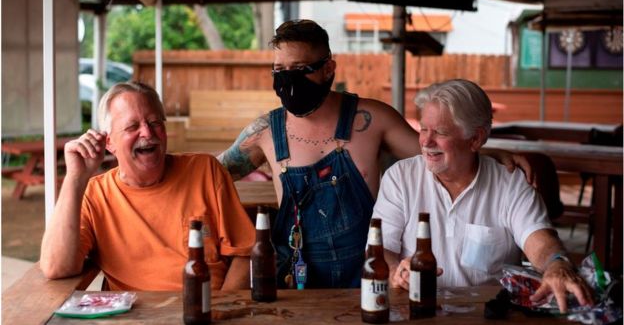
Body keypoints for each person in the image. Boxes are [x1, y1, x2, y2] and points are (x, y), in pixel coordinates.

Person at [217, 19, 532, 289]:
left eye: (301, 69)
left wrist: (488, 152)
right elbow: (214, 174)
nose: (289, 80)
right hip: (296, 280)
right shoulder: (264, 133)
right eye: (280, 69)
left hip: (367, 275)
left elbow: (435, 152)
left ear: (329, 69)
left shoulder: (372, 119)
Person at [372, 79, 593, 313]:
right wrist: (397, 272)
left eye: (440, 132)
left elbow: (539, 241)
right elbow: (380, 249)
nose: (426, 141)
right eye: (424, 129)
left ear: (476, 139)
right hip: (415, 310)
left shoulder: (510, 183)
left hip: (488, 315)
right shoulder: (400, 177)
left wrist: (556, 264)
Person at [40, 81, 254, 291]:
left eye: (155, 123)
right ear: (109, 143)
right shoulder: (95, 194)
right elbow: (56, 267)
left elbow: (245, 254)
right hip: (135, 315)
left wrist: (221, 310)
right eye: (132, 126)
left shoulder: (205, 170)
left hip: (205, 313)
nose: (147, 133)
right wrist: (75, 178)